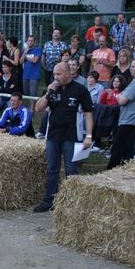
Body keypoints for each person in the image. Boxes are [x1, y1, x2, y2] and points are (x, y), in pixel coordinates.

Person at [33, 62, 93, 212]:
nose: (56, 77)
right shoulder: (52, 89)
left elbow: (88, 113)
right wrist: (48, 93)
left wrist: (89, 135)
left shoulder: (80, 90)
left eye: (58, 74)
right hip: (53, 135)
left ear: (68, 73)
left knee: (71, 170)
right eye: (54, 74)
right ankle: (49, 201)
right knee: (52, 169)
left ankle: (72, 203)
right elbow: (38, 108)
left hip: (72, 136)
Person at [107, 59, 135, 169]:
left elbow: (122, 101)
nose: (131, 68)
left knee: (118, 147)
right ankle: (125, 168)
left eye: (133, 66)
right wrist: (121, 95)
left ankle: (111, 169)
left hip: (129, 120)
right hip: (133, 119)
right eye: (131, 66)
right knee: (128, 148)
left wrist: (117, 95)